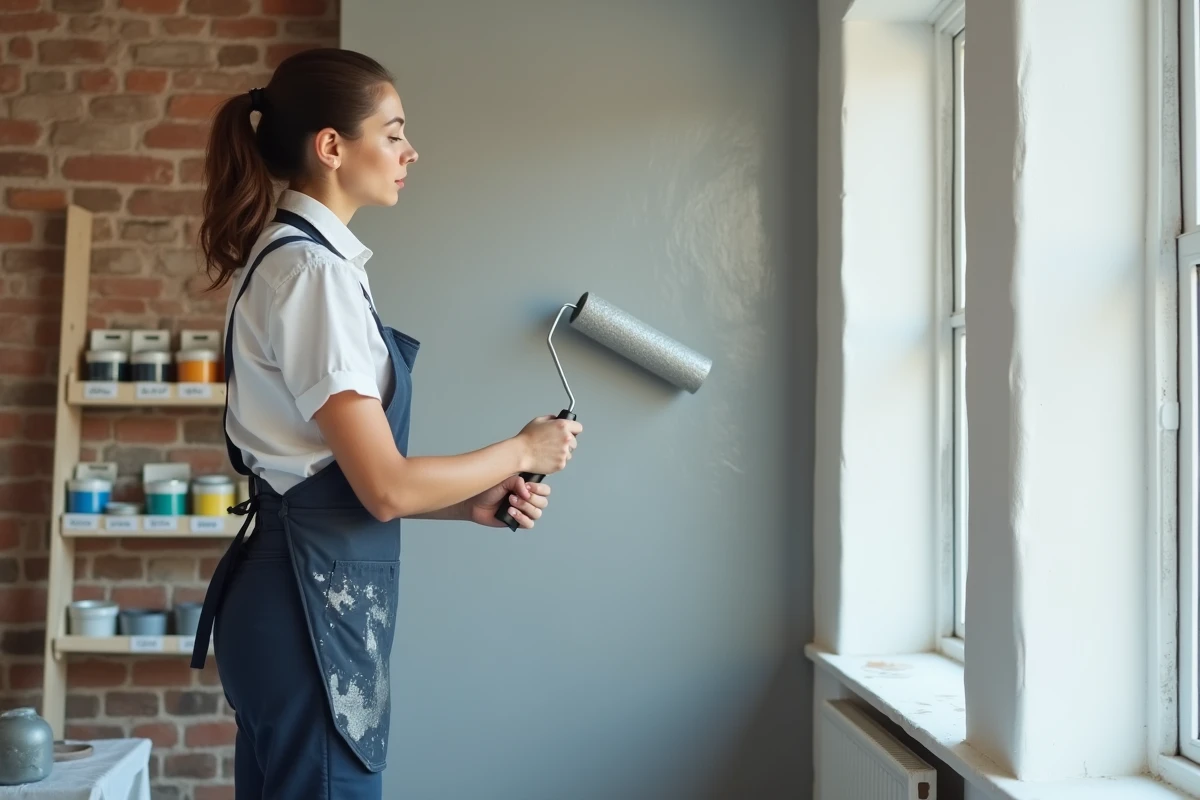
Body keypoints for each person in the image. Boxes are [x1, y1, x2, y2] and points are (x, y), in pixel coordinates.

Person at [188, 48, 582, 800]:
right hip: (307, 609)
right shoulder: (315, 275)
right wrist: (522, 448)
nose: (410, 151)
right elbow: (384, 487)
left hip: (297, 595)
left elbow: (329, 477)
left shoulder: (296, 262)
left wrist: (467, 503)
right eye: (393, 132)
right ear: (332, 147)